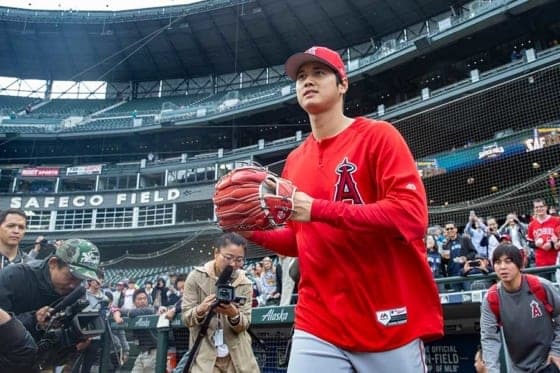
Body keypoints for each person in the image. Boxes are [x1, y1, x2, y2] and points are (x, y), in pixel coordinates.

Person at [239, 46, 443, 372]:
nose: (308, 81)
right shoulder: (295, 160)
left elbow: (411, 217)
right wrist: (249, 231)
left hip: (386, 314)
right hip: (318, 318)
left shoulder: (379, 136)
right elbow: (299, 239)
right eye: (301, 76)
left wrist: (318, 209)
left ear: (343, 84)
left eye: (319, 73)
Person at [0, 238, 101, 371]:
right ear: (53, 263)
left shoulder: (75, 294)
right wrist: (34, 319)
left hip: (36, 363)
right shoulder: (14, 276)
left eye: (81, 280)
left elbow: (57, 351)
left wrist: (74, 344)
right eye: (71, 276)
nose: (74, 285)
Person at [181, 232, 260, 372]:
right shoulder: (196, 277)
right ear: (216, 253)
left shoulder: (245, 283)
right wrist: (201, 309)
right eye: (228, 257)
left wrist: (234, 315)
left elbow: (245, 323)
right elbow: (186, 319)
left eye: (239, 259)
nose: (233, 264)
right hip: (205, 359)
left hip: (238, 358)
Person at [480, 244, 560, 372]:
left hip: (548, 362)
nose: (502, 267)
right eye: (498, 262)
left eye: (508, 261)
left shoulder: (541, 286)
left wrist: (557, 351)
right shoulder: (491, 298)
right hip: (518, 367)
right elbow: (489, 338)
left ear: (520, 264)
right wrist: (492, 370)